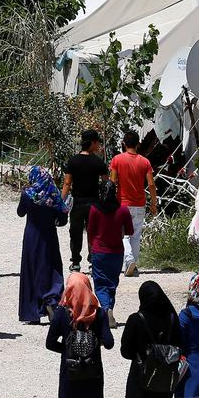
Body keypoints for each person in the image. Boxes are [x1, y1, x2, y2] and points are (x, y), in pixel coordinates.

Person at [120, 281, 181, 398]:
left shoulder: (136, 319)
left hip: (140, 378)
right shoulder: (172, 319)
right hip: (165, 379)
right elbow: (181, 346)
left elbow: (125, 352)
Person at [46, 272, 114, 398]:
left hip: (70, 371)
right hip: (93, 371)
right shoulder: (99, 314)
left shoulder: (61, 313)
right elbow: (109, 343)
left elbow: (50, 343)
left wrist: (67, 349)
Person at [17, 167, 68, 324]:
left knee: (32, 269)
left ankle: (33, 312)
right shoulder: (53, 193)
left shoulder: (28, 194)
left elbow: (20, 212)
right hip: (49, 236)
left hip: (32, 235)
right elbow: (63, 218)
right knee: (51, 268)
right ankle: (51, 301)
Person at [109, 130, 157, 278]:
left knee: (123, 235)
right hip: (140, 203)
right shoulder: (145, 162)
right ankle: (133, 264)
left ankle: (129, 260)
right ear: (138, 144)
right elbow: (151, 184)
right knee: (136, 235)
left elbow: (112, 182)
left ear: (124, 143)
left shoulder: (117, 160)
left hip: (122, 203)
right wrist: (153, 203)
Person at [86, 181, 133, 328]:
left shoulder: (94, 209)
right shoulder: (123, 210)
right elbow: (130, 231)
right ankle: (110, 308)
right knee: (112, 283)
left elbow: (90, 232)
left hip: (99, 251)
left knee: (100, 283)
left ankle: (106, 308)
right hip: (116, 252)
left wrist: (91, 248)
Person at [62, 129, 109, 272]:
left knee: (75, 232)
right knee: (93, 233)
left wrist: (60, 201)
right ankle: (93, 262)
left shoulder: (73, 160)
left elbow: (67, 183)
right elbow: (106, 184)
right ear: (92, 143)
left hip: (77, 202)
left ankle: (75, 262)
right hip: (94, 203)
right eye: (97, 142)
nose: (99, 145)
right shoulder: (98, 162)